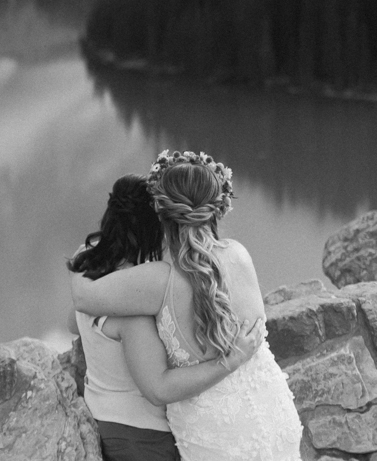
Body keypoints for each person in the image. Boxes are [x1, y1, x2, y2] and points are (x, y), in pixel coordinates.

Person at [71, 152, 303, 461]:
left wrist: (81, 258)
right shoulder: (239, 255)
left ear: (160, 213)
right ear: (217, 207)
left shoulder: (157, 280)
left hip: (216, 435)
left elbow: (85, 298)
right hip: (272, 413)